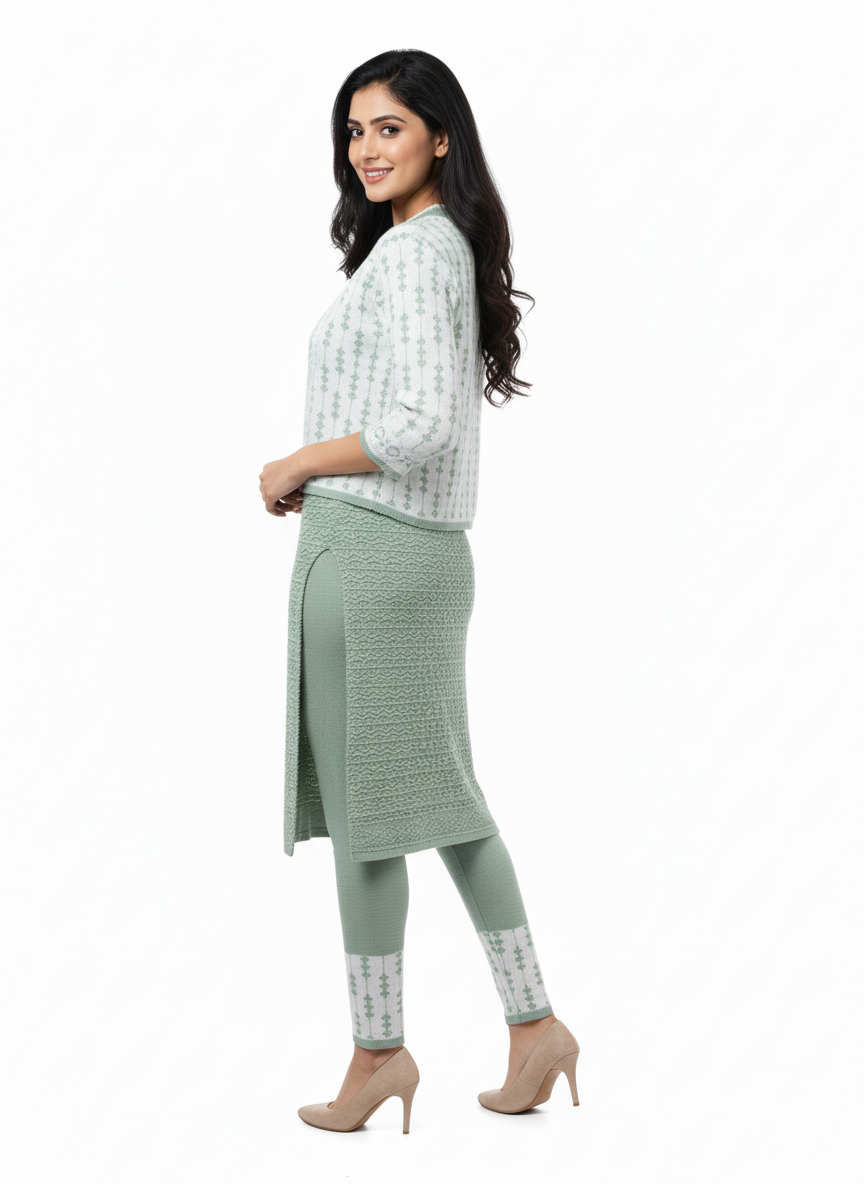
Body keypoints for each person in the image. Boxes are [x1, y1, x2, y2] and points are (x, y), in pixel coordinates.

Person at [259, 48, 580, 1134]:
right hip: (410, 556)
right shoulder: (433, 249)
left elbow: (418, 425)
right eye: (354, 131)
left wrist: (301, 462)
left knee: (376, 816)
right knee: (433, 800)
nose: (366, 148)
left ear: (442, 136)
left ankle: (381, 1052)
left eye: (389, 126)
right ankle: (531, 1026)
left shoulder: (413, 255)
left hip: (373, 557)